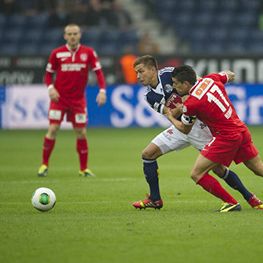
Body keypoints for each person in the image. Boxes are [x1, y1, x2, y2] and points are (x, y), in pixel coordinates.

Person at [132, 55, 263, 212]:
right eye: (136, 73)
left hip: (198, 127)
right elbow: (170, 112)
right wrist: (178, 109)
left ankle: (248, 197)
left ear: (153, 69)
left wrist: (183, 107)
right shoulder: (149, 96)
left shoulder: (169, 74)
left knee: (217, 169)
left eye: (141, 71)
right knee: (148, 154)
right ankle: (155, 199)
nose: (138, 76)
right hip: (180, 127)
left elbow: (193, 82)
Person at [166, 65, 263, 212]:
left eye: (175, 83)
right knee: (258, 169)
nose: (173, 87)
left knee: (196, 174)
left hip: (226, 137)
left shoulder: (191, 103)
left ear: (185, 84)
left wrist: (170, 116)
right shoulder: (211, 79)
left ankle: (231, 203)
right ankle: (249, 199)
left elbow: (185, 129)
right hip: (241, 130)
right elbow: (229, 75)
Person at [37, 23, 107, 177]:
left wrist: (102, 91)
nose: (72, 36)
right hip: (59, 99)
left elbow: (99, 73)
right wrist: (50, 89)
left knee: (81, 132)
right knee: (53, 129)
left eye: (75, 33)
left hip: (78, 101)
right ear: (65, 36)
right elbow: (48, 75)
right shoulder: (57, 53)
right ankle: (44, 165)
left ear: (80, 35)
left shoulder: (88, 52)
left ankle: (83, 169)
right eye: (69, 34)